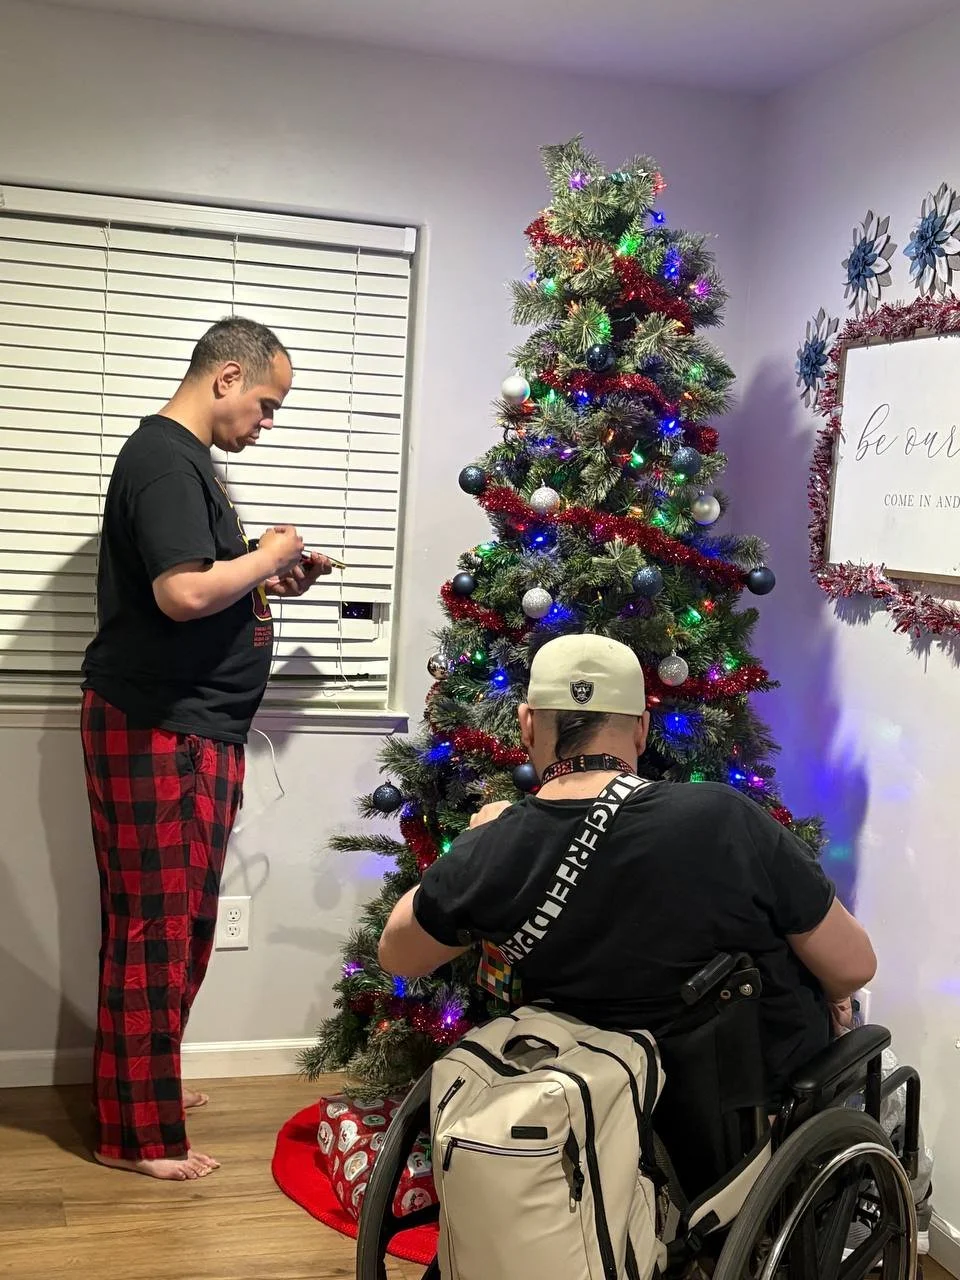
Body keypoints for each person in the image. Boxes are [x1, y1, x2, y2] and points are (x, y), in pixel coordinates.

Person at [379, 633, 877, 1110]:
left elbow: (398, 955)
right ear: (641, 727)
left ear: (527, 723)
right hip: (742, 1125)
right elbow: (854, 966)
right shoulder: (723, 816)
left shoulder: (491, 846)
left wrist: (474, 842)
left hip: (588, 1125)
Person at [81, 317, 333, 1181]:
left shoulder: (189, 467)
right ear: (227, 376)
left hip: (190, 727)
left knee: (175, 924)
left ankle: (139, 1085)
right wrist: (268, 553)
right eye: (265, 405)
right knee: (155, 926)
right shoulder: (163, 459)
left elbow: (207, 581)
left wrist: (268, 569)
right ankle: (136, 1134)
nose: (266, 424)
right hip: (160, 723)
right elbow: (185, 592)